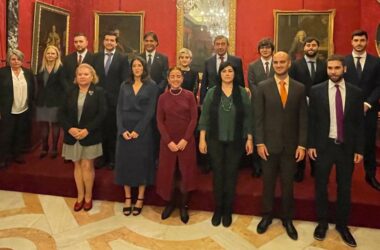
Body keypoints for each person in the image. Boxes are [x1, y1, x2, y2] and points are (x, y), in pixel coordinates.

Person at [308, 55, 364, 247]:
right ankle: (322, 223)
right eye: (330, 68)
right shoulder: (316, 91)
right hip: (324, 146)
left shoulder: (356, 93)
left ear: (344, 69)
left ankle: (342, 225)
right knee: (321, 186)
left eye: (337, 68)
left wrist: (359, 148)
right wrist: (311, 144)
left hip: (346, 148)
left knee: (344, 188)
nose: (333, 71)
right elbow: (311, 121)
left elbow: (359, 124)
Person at [254, 51, 307, 240]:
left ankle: (287, 219)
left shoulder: (300, 88)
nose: (278, 65)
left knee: (288, 185)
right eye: (275, 62)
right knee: (267, 184)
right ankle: (266, 216)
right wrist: (259, 142)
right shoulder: (262, 87)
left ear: (289, 63)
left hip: (291, 147)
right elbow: (258, 118)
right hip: (268, 145)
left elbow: (303, 118)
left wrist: (302, 145)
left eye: (282, 62)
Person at [198, 61, 253, 227]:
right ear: (219, 74)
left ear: (235, 74)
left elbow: (248, 118)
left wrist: (249, 139)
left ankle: (228, 210)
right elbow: (205, 116)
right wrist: (202, 138)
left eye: (230, 71)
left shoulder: (243, 93)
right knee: (218, 175)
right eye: (224, 71)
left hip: (236, 141)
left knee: (231, 175)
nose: (227, 74)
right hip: (214, 140)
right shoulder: (211, 93)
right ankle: (218, 209)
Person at [59, 63, 107, 212]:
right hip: (72, 135)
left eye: (86, 74)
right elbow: (61, 113)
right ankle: (79, 196)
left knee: (87, 165)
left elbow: (102, 114)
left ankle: (88, 197)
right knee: (77, 165)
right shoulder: (69, 91)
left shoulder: (98, 92)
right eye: (80, 74)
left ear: (92, 76)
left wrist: (87, 130)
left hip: (90, 135)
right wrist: (70, 128)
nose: (82, 77)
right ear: (76, 77)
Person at [114, 56, 159, 216]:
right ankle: (127, 198)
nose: (137, 68)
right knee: (125, 163)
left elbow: (150, 111)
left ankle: (140, 198)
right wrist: (122, 129)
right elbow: (119, 109)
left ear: (144, 68)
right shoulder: (124, 85)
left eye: (140, 65)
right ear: (131, 68)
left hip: (142, 131)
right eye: (134, 66)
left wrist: (138, 130)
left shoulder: (152, 85)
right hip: (124, 130)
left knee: (141, 164)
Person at [156, 67, 198, 224]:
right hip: (168, 143)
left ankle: (183, 205)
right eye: (172, 76)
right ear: (168, 79)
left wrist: (185, 140)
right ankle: (170, 203)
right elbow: (159, 121)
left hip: (185, 142)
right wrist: (169, 142)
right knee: (169, 174)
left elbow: (194, 119)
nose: (175, 79)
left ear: (182, 79)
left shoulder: (189, 96)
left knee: (184, 174)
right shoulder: (162, 98)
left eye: (178, 76)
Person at [344, 29, 380, 191]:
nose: (359, 43)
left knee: (369, 144)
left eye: (362, 40)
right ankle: (346, 175)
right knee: (347, 143)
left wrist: (368, 103)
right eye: (356, 40)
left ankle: (370, 174)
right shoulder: (343, 61)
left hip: (369, 110)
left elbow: (379, 86)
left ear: (366, 42)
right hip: (347, 111)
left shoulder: (376, 62)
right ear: (351, 42)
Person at [289, 37, 328, 182]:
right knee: (299, 136)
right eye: (308, 45)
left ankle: (315, 167)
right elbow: (291, 84)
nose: (310, 47)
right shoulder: (295, 65)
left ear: (317, 47)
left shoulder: (324, 65)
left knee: (316, 137)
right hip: (299, 106)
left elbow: (326, 84)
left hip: (319, 107)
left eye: (313, 45)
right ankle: (299, 169)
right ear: (303, 48)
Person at [93, 30, 129, 169]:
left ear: (116, 43)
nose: (109, 42)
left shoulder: (122, 58)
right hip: (98, 99)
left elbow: (125, 79)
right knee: (100, 129)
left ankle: (113, 159)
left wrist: (118, 97)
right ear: (103, 41)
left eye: (112, 40)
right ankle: (101, 158)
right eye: (107, 39)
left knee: (113, 130)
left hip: (115, 100)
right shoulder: (95, 57)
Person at [0, 49, 35, 168]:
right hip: (7, 110)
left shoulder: (28, 73)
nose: (16, 61)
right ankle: (3, 158)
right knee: (6, 134)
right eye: (13, 59)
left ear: (22, 60)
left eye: (18, 59)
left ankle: (17, 155)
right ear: (9, 60)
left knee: (20, 133)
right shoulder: (2, 73)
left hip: (24, 109)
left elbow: (33, 91)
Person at [247, 38, 275, 177]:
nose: (265, 50)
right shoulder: (252, 66)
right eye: (262, 47)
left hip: (274, 105)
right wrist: (262, 97)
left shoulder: (277, 64)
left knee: (271, 134)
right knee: (258, 132)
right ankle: (257, 166)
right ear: (259, 50)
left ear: (272, 49)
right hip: (257, 104)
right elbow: (251, 84)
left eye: (268, 47)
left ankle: (270, 165)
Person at [36, 45, 65, 159]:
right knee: (43, 126)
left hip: (55, 101)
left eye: (53, 53)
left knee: (55, 126)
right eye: (48, 53)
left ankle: (54, 148)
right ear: (45, 55)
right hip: (42, 101)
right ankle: (44, 148)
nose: (50, 55)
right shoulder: (40, 68)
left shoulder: (61, 68)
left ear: (57, 55)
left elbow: (63, 86)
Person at [200, 35, 245, 103]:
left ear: (227, 46)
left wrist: (241, 100)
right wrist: (202, 102)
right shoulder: (208, 62)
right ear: (214, 46)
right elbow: (204, 84)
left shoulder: (236, 61)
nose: (220, 47)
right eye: (217, 44)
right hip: (213, 100)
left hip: (232, 99)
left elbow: (240, 82)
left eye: (223, 44)